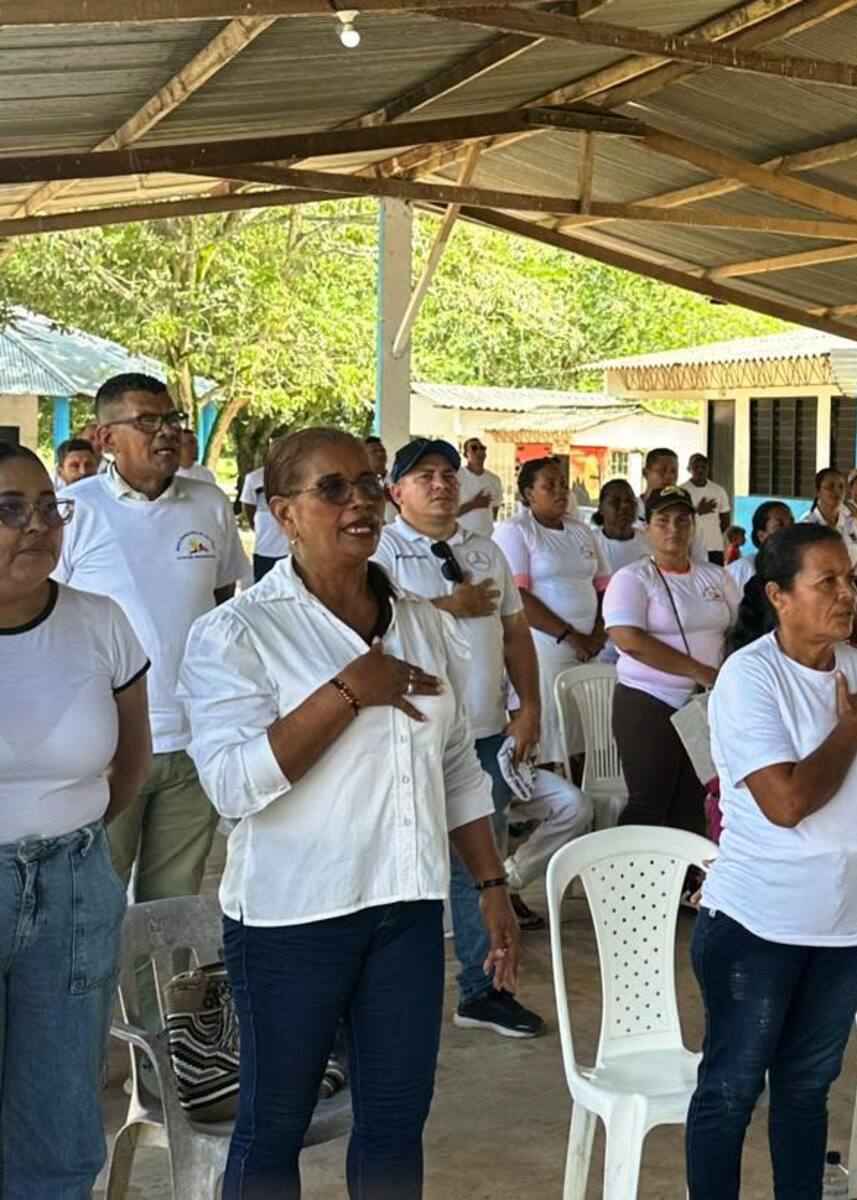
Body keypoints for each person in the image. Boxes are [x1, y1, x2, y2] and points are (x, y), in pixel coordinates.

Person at [178, 428, 519, 1200]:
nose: (360, 501)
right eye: (333, 489)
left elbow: (459, 765)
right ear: (283, 513)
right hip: (294, 920)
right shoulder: (238, 632)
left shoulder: (423, 623)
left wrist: (491, 884)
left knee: (397, 1123)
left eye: (368, 483)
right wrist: (346, 692)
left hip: (406, 911)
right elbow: (233, 786)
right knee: (275, 1126)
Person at [688, 523, 857, 1199]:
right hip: (760, 922)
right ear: (777, 595)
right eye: (825, 581)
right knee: (731, 1089)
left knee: (807, 1088)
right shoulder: (749, 678)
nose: (847, 594)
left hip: (848, 923)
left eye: (851, 579)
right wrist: (851, 729)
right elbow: (788, 801)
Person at [0, 442, 151, 1199]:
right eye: (9, 510)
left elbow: (131, 763)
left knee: (60, 1118)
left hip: (74, 883)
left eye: (46, 508)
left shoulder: (101, 621)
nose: (37, 526)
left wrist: (71, 837)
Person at [374, 436, 545, 1037]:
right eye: (424, 476)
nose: (441, 484)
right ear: (397, 492)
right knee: (408, 862)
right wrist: (452, 603)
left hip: (483, 732)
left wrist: (530, 706)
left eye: (448, 474)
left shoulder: (485, 550)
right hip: (412, 733)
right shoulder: (381, 552)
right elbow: (378, 630)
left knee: (482, 864)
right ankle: (392, 996)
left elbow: (516, 633)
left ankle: (481, 989)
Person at [55, 373, 248, 901]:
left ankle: (159, 991)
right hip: (106, 745)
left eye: (170, 419)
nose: (165, 432)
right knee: (95, 897)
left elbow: (222, 600)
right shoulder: (72, 512)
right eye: (146, 421)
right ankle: (97, 990)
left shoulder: (208, 505)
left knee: (174, 903)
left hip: (194, 739)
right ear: (105, 438)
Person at [604, 486, 738, 833]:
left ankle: (684, 886)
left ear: (694, 526)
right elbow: (628, 638)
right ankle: (627, 885)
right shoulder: (632, 578)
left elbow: (740, 624)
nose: (673, 529)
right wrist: (700, 671)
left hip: (704, 704)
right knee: (649, 803)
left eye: (682, 520)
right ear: (646, 527)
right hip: (649, 700)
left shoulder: (714, 575)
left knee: (693, 802)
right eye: (662, 520)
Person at [493, 457, 610, 766]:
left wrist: (597, 635)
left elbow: (603, 587)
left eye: (563, 485)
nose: (561, 492)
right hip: (543, 653)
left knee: (584, 735)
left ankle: (586, 803)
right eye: (549, 486)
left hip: (589, 650)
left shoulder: (580, 531)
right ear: (528, 493)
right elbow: (517, 596)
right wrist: (571, 637)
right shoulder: (516, 531)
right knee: (548, 737)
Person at [801, 467, 857, 591]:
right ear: (817, 492)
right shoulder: (807, 526)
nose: (836, 492)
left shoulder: (852, 525)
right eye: (830, 487)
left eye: (841, 487)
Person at [727, 500, 794, 601]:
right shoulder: (743, 569)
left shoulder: (799, 568)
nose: (790, 530)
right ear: (761, 535)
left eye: (792, 523)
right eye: (780, 525)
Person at [241, 459, 291, 582]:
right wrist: (257, 527)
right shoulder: (254, 478)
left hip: (292, 552)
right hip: (264, 551)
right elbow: (249, 507)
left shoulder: (298, 475)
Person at [591, 478, 651, 574]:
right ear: (601, 509)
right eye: (615, 501)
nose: (625, 506)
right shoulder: (590, 543)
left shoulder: (650, 542)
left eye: (630, 501)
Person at [681, 452, 731, 565]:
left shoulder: (718, 491)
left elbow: (725, 520)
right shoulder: (682, 491)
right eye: (696, 467)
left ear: (708, 469)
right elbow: (679, 519)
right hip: (691, 546)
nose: (700, 470)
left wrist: (712, 533)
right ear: (689, 469)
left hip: (714, 546)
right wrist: (698, 511)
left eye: (703, 467)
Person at [457, 437, 503, 538]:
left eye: (482, 448)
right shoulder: (457, 476)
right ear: (465, 454)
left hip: (486, 538)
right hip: (460, 538)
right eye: (474, 448)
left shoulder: (494, 480)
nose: (479, 451)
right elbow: (448, 514)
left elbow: (494, 511)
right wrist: (474, 504)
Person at [638, 447, 679, 519]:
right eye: (662, 470)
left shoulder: (681, 510)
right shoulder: (632, 510)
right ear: (645, 473)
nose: (669, 476)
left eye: (673, 471)